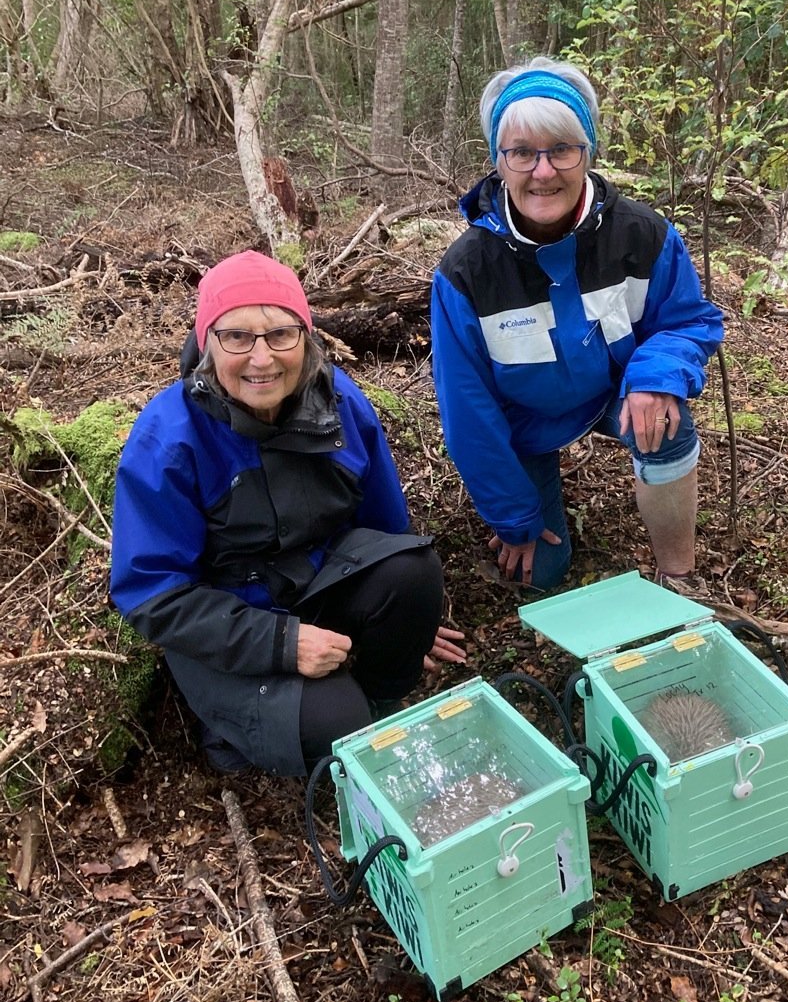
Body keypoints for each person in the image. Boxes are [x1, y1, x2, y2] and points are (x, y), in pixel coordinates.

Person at [111, 250, 465, 776]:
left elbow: (386, 527)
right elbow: (152, 594)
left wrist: (407, 624)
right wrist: (281, 643)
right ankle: (250, 724)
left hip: (315, 585)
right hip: (229, 627)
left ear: (306, 337)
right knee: (337, 727)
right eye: (237, 336)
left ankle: (373, 703)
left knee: (414, 572)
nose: (262, 358)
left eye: (280, 334)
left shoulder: (338, 401)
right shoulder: (169, 438)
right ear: (207, 341)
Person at [431, 57, 724, 594]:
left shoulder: (642, 235)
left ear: (587, 152)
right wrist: (513, 517)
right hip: (524, 421)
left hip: (612, 392)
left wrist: (655, 376)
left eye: (561, 149)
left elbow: (686, 321)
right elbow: (467, 411)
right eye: (521, 153)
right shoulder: (465, 272)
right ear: (498, 162)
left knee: (667, 420)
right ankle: (535, 510)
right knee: (541, 573)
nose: (543, 172)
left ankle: (678, 575)